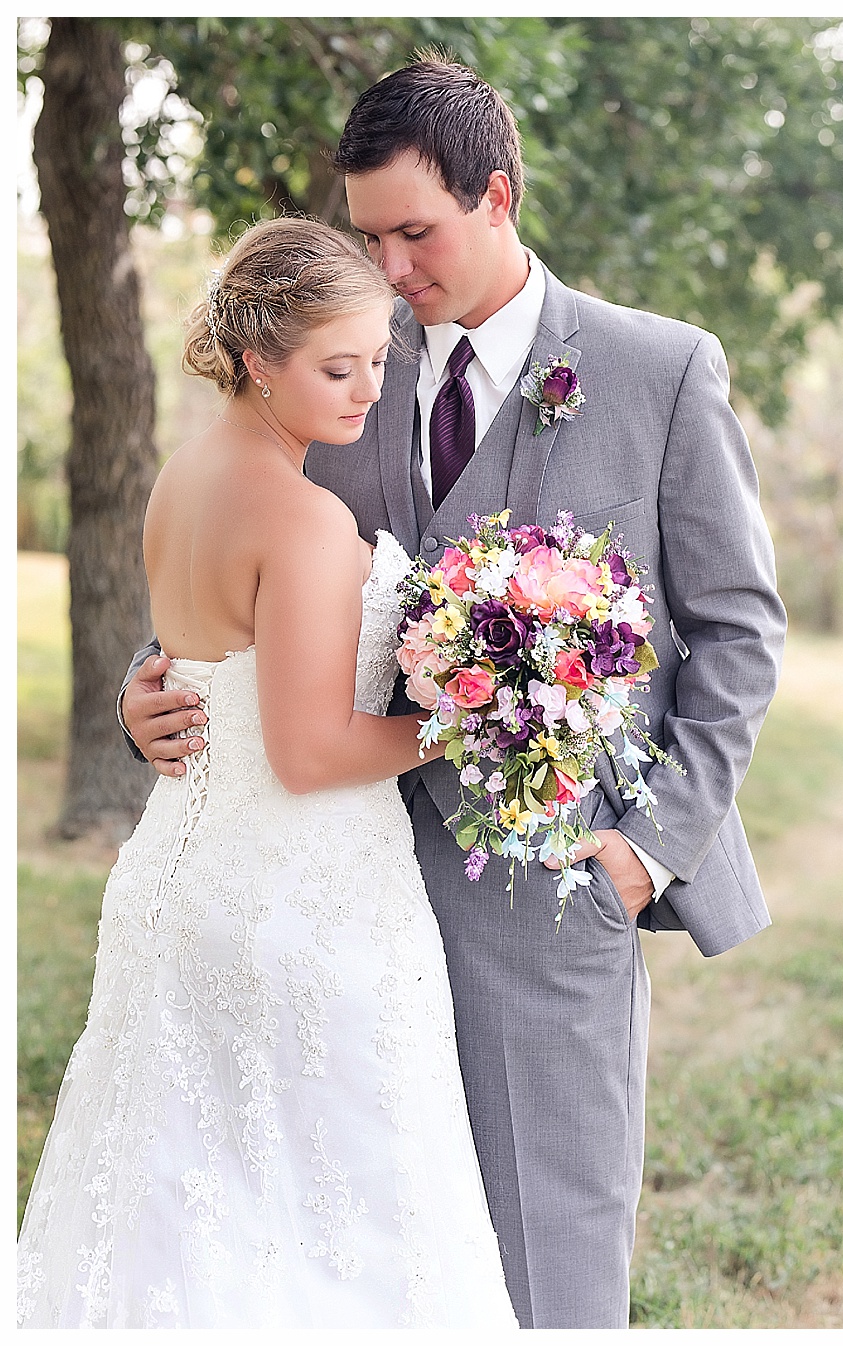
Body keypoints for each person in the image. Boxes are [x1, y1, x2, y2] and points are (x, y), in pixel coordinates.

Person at [119, 59, 786, 1329]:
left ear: (499, 196)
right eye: (366, 235)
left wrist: (645, 852)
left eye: (412, 233)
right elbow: (236, 567)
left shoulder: (661, 372)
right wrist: (149, 686)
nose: (388, 266)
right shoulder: (334, 368)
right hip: (337, 898)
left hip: (552, 891)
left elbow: (740, 630)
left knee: (552, 1263)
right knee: (351, 1253)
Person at [18, 217, 519, 1328]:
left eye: (380, 361)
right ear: (257, 359)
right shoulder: (302, 515)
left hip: (172, 885)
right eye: (338, 368)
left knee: (175, 1216)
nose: (366, 390)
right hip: (307, 911)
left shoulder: (178, 479)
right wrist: (475, 724)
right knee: (337, 1231)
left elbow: (200, 670)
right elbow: (310, 751)